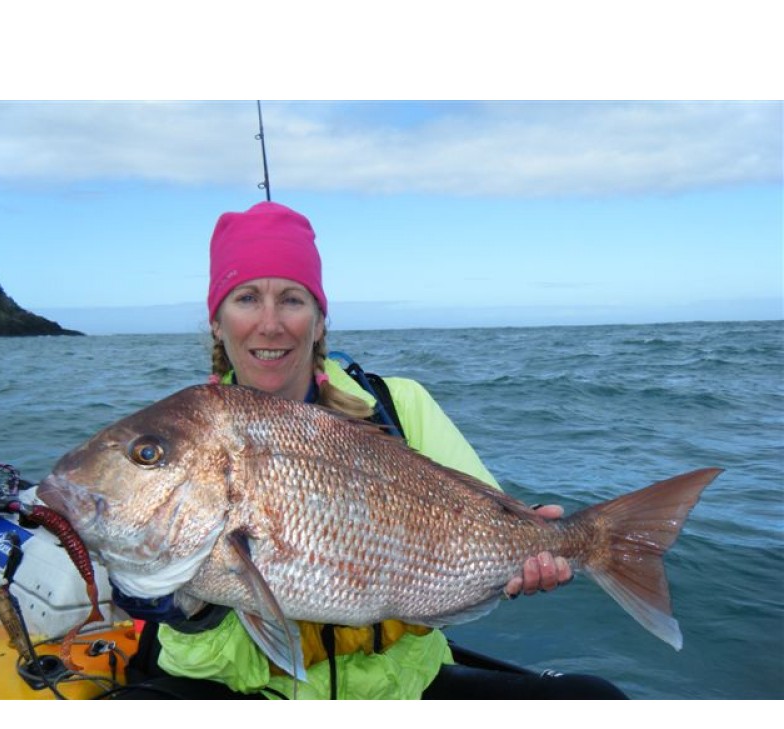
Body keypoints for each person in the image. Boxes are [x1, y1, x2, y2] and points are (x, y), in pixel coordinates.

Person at [121, 201, 627, 700]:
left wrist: (537, 538)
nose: (270, 324)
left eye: (292, 300)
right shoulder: (184, 431)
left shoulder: (399, 404)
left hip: (400, 690)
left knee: (593, 699)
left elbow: (490, 519)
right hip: (246, 690)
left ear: (319, 321)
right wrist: (173, 605)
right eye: (247, 298)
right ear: (217, 320)